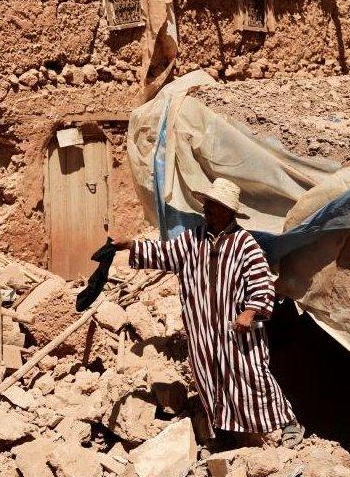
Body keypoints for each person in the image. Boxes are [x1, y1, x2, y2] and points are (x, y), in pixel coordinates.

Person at [114, 177, 304, 448]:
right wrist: (130, 245)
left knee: (252, 376)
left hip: (236, 331)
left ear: (228, 210)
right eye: (207, 205)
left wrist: (249, 312)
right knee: (209, 379)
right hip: (202, 330)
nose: (207, 210)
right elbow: (163, 253)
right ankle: (227, 432)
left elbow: (262, 283)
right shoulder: (192, 239)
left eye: (214, 206)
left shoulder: (245, 245)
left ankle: (288, 423)